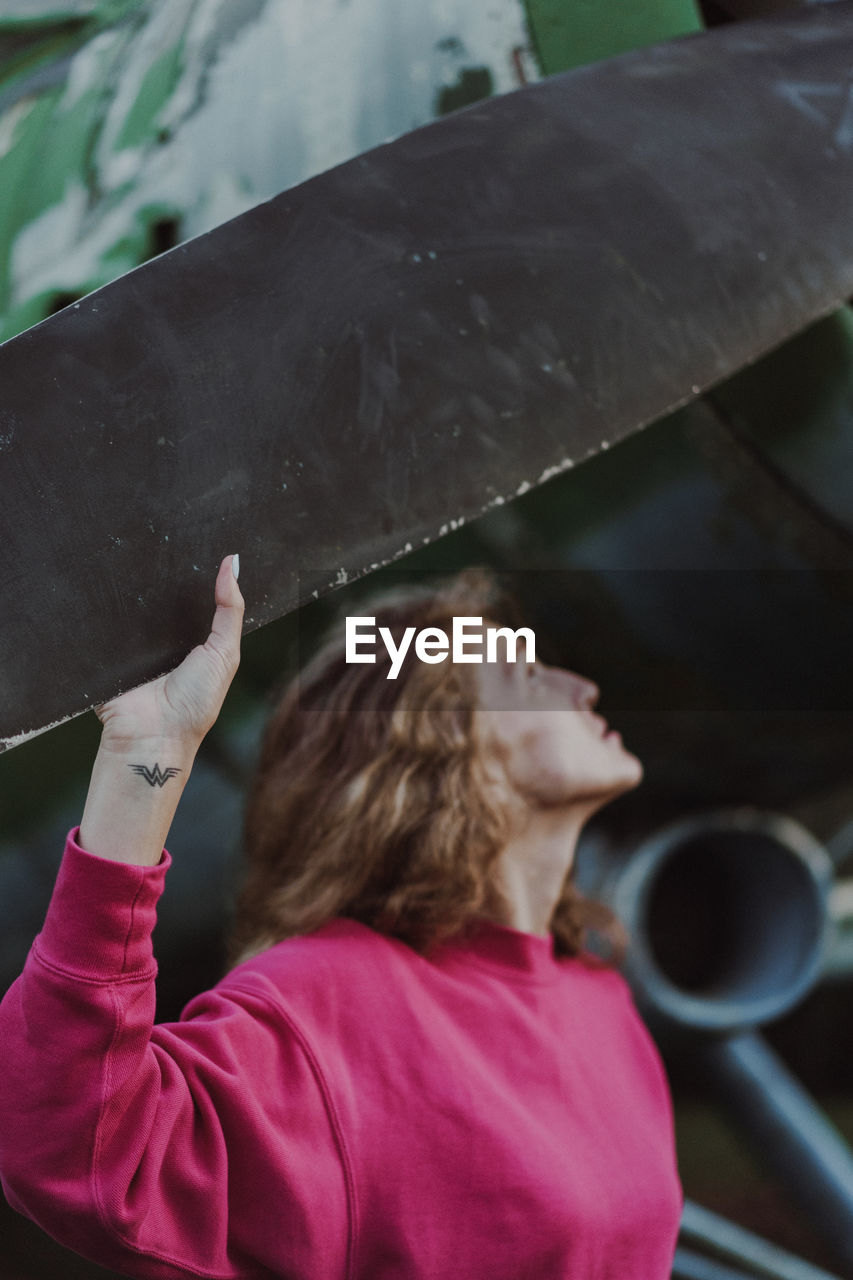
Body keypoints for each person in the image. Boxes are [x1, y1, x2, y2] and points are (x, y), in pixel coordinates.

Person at [0, 555, 682, 1279]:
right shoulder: (327, 1001)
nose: (581, 689)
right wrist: (149, 753)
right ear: (439, 741)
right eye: (531, 680)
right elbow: (76, 1143)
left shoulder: (597, 993)